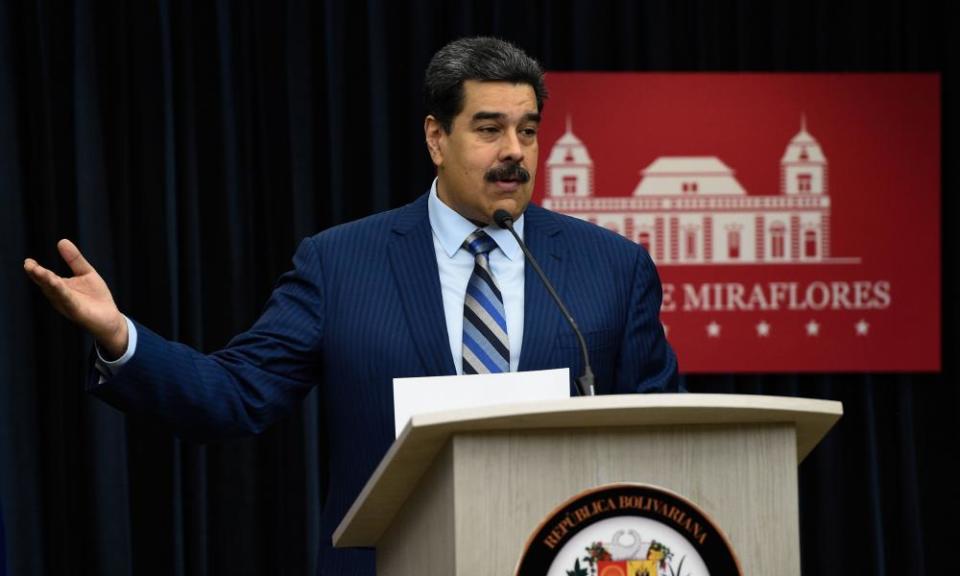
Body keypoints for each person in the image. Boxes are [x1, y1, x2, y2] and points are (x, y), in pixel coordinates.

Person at [24, 37, 679, 575]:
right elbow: (236, 394)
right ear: (436, 137)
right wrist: (121, 339)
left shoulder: (610, 269)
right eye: (490, 129)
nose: (515, 150)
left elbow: (667, 437)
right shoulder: (341, 265)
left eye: (529, 131)